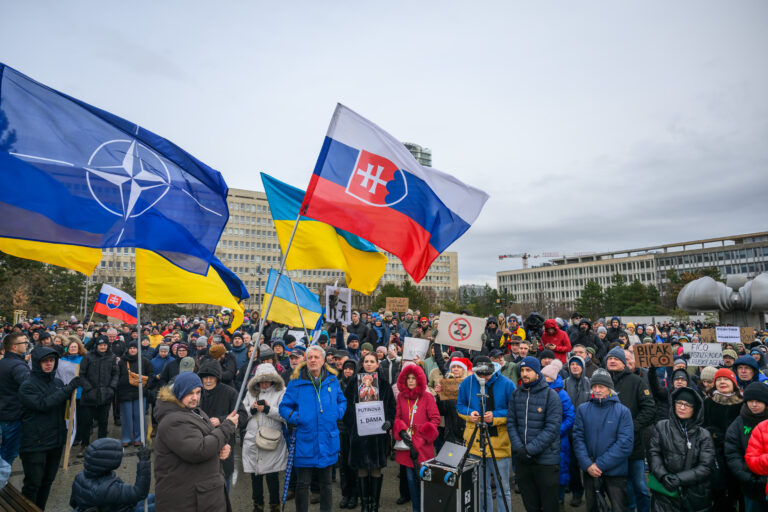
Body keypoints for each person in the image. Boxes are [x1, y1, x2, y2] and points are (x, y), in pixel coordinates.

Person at [154, 371, 239, 511]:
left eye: (198, 392)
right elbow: (198, 450)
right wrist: (227, 427)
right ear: (179, 392)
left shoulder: (194, 411)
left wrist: (219, 448)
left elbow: (206, 439)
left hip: (202, 494)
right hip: (187, 499)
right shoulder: (173, 420)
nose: (195, 397)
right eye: (190, 393)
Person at [279, 345, 346, 512]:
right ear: (306, 360)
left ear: (323, 360)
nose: (313, 360)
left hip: (327, 438)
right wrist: (298, 417)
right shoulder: (296, 383)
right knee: (303, 484)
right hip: (305, 439)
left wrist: (336, 414)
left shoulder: (332, 380)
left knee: (326, 484)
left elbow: (342, 401)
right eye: (310, 357)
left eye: (316, 357)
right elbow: (284, 407)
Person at [18, 346, 80, 509]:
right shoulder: (28, 386)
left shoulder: (58, 382)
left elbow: (63, 407)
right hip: (35, 444)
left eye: (51, 360)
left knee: (47, 482)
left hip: (55, 441)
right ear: (37, 363)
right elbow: (44, 404)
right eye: (44, 361)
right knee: (33, 484)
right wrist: (68, 389)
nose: (48, 364)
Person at [456, 355, 514, 512]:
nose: (483, 378)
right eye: (479, 374)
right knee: (481, 488)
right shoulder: (467, 383)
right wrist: (470, 414)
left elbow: (514, 411)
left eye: (486, 374)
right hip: (475, 442)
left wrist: (495, 416)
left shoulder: (508, 384)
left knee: (503, 488)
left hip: (499, 443)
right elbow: (460, 406)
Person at [572, 369, 634, 512]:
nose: (597, 390)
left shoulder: (623, 411)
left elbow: (625, 444)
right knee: (593, 507)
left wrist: (599, 465)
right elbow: (578, 438)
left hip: (615, 472)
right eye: (594, 386)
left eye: (601, 386)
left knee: (619, 508)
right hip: (590, 471)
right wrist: (588, 465)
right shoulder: (583, 409)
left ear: (610, 388)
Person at [506, 356, 562, 512]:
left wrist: (530, 449)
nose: (524, 373)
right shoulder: (517, 395)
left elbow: (552, 428)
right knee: (530, 504)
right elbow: (511, 423)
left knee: (549, 504)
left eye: (528, 370)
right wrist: (519, 448)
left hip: (546, 461)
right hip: (523, 460)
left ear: (537, 372)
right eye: (522, 370)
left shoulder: (551, 396)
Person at [342, 353, 395, 512]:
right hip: (359, 435)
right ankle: (365, 505)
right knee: (362, 469)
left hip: (378, 435)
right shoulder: (353, 384)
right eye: (366, 361)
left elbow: (392, 408)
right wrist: (354, 424)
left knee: (376, 469)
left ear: (378, 364)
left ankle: (374, 505)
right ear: (362, 364)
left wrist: (389, 422)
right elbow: (346, 407)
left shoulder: (384, 384)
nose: (369, 364)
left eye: (372, 361)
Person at [648, 387, 714, 511]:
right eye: (679, 403)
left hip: (694, 495)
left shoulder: (703, 435)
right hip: (665, 493)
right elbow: (654, 453)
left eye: (687, 405)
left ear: (695, 409)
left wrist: (680, 479)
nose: (682, 408)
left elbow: (705, 466)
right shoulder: (661, 427)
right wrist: (662, 476)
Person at [605, 346, 654, 512]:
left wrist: (632, 427)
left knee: (640, 485)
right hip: (611, 445)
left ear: (624, 363)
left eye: (616, 359)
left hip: (634, 445)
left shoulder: (636, 381)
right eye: (610, 358)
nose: (612, 361)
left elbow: (649, 409)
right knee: (620, 486)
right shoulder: (602, 382)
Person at [393, 363, 440, 512]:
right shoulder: (401, 396)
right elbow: (398, 417)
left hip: (423, 447)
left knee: (425, 483)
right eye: (408, 378)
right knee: (412, 482)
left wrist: (422, 433)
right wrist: (401, 431)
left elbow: (435, 419)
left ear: (419, 379)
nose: (411, 381)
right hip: (407, 447)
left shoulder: (427, 396)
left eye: (414, 378)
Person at [242, 362, 287, 512]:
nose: (265, 383)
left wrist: (268, 409)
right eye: (262, 380)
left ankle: (274, 505)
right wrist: (252, 409)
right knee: (255, 475)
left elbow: (285, 415)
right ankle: (257, 504)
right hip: (252, 439)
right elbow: (242, 413)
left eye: (268, 380)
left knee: (272, 475)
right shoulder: (250, 393)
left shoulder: (281, 392)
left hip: (271, 439)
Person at [198, 359, 247, 493]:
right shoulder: (196, 393)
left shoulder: (230, 393)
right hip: (200, 448)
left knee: (222, 492)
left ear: (217, 378)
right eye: (204, 377)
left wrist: (222, 420)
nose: (207, 380)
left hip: (223, 448)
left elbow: (242, 416)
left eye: (211, 377)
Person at [69, 437, 153, 512]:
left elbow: (73, 502)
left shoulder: (79, 477)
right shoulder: (107, 488)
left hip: (113, 506)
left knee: (153, 497)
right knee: (160, 506)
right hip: (124, 509)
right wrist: (144, 462)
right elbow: (139, 493)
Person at [702, 367, 742, 510]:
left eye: (726, 379)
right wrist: (713, 434)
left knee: (735, 489)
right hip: (716, 451)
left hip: (737, 452)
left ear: (733, 382)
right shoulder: (708, 402)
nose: (722, 382)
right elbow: (703, 425)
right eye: (719, 380)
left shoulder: (742, 403)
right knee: (718, 488)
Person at [726, 382, 768, 512]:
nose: (754, 405)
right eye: (750, 401)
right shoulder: (738, 423)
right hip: (751, 486)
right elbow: (732, 453)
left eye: (758, 401)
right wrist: (747, 477)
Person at [541, 363, 575, 508]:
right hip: (541, 439)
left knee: (560, 471)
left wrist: (556, 431)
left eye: (547, 376)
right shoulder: (538, 390)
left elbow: (570, 417)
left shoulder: (562, 394)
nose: (544, 378)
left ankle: (559, 500)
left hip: (558, 440)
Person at [79, 335, 119, 453]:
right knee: (86, 422)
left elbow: (115, 374)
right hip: (89, 395)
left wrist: (111, 388)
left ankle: (102, 444)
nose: (102, 347)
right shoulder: (88, 357)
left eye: (105, 345)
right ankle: (85, 444)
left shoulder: (112, 357)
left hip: (105, 395)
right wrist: (88, 388)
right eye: (100, 345)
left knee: (103, 421)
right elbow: (81, 374)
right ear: (97, 345)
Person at [0, 332, 31, 466]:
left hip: (4, 412)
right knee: (8, 454)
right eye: (23, 343)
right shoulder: (18, 366)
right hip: (12, 415)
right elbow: (29, 388)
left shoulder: (4, 362)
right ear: (13, 347)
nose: (26, 345)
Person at [117, 342, 152, 447]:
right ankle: (126, 438)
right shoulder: (122, 362)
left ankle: (139, 438)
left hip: (140, 392)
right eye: (130, 348)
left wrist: (146, 388)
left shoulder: (144, 361)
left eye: (134, 348)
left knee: (139, 416)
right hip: (125, 392)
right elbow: (116, 375)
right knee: (127, 417)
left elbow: (150, 374)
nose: (132, 350)